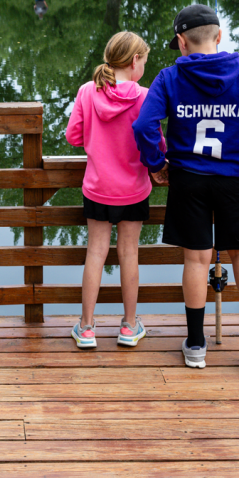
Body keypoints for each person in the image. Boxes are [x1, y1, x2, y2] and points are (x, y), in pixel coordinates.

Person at [133, 4, 239, 368]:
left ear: (182, 42)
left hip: (188, 180)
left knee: (196, 259)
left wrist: (156, 164)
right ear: (218, 37)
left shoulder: (169, 78)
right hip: (235, 179)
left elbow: (143, 127)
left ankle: (196, 343)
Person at [66, 31, 165, 349]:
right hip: (134, 189)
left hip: (97, 188)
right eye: (145, 62)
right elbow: (156, 142)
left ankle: (86, 327)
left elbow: (73, 136)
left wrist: (98, 141)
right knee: (129, 254)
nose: (144, 68)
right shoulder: (145, 96)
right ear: (135, 60)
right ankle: (129, 326)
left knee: (95, 253)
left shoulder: (86, 91)